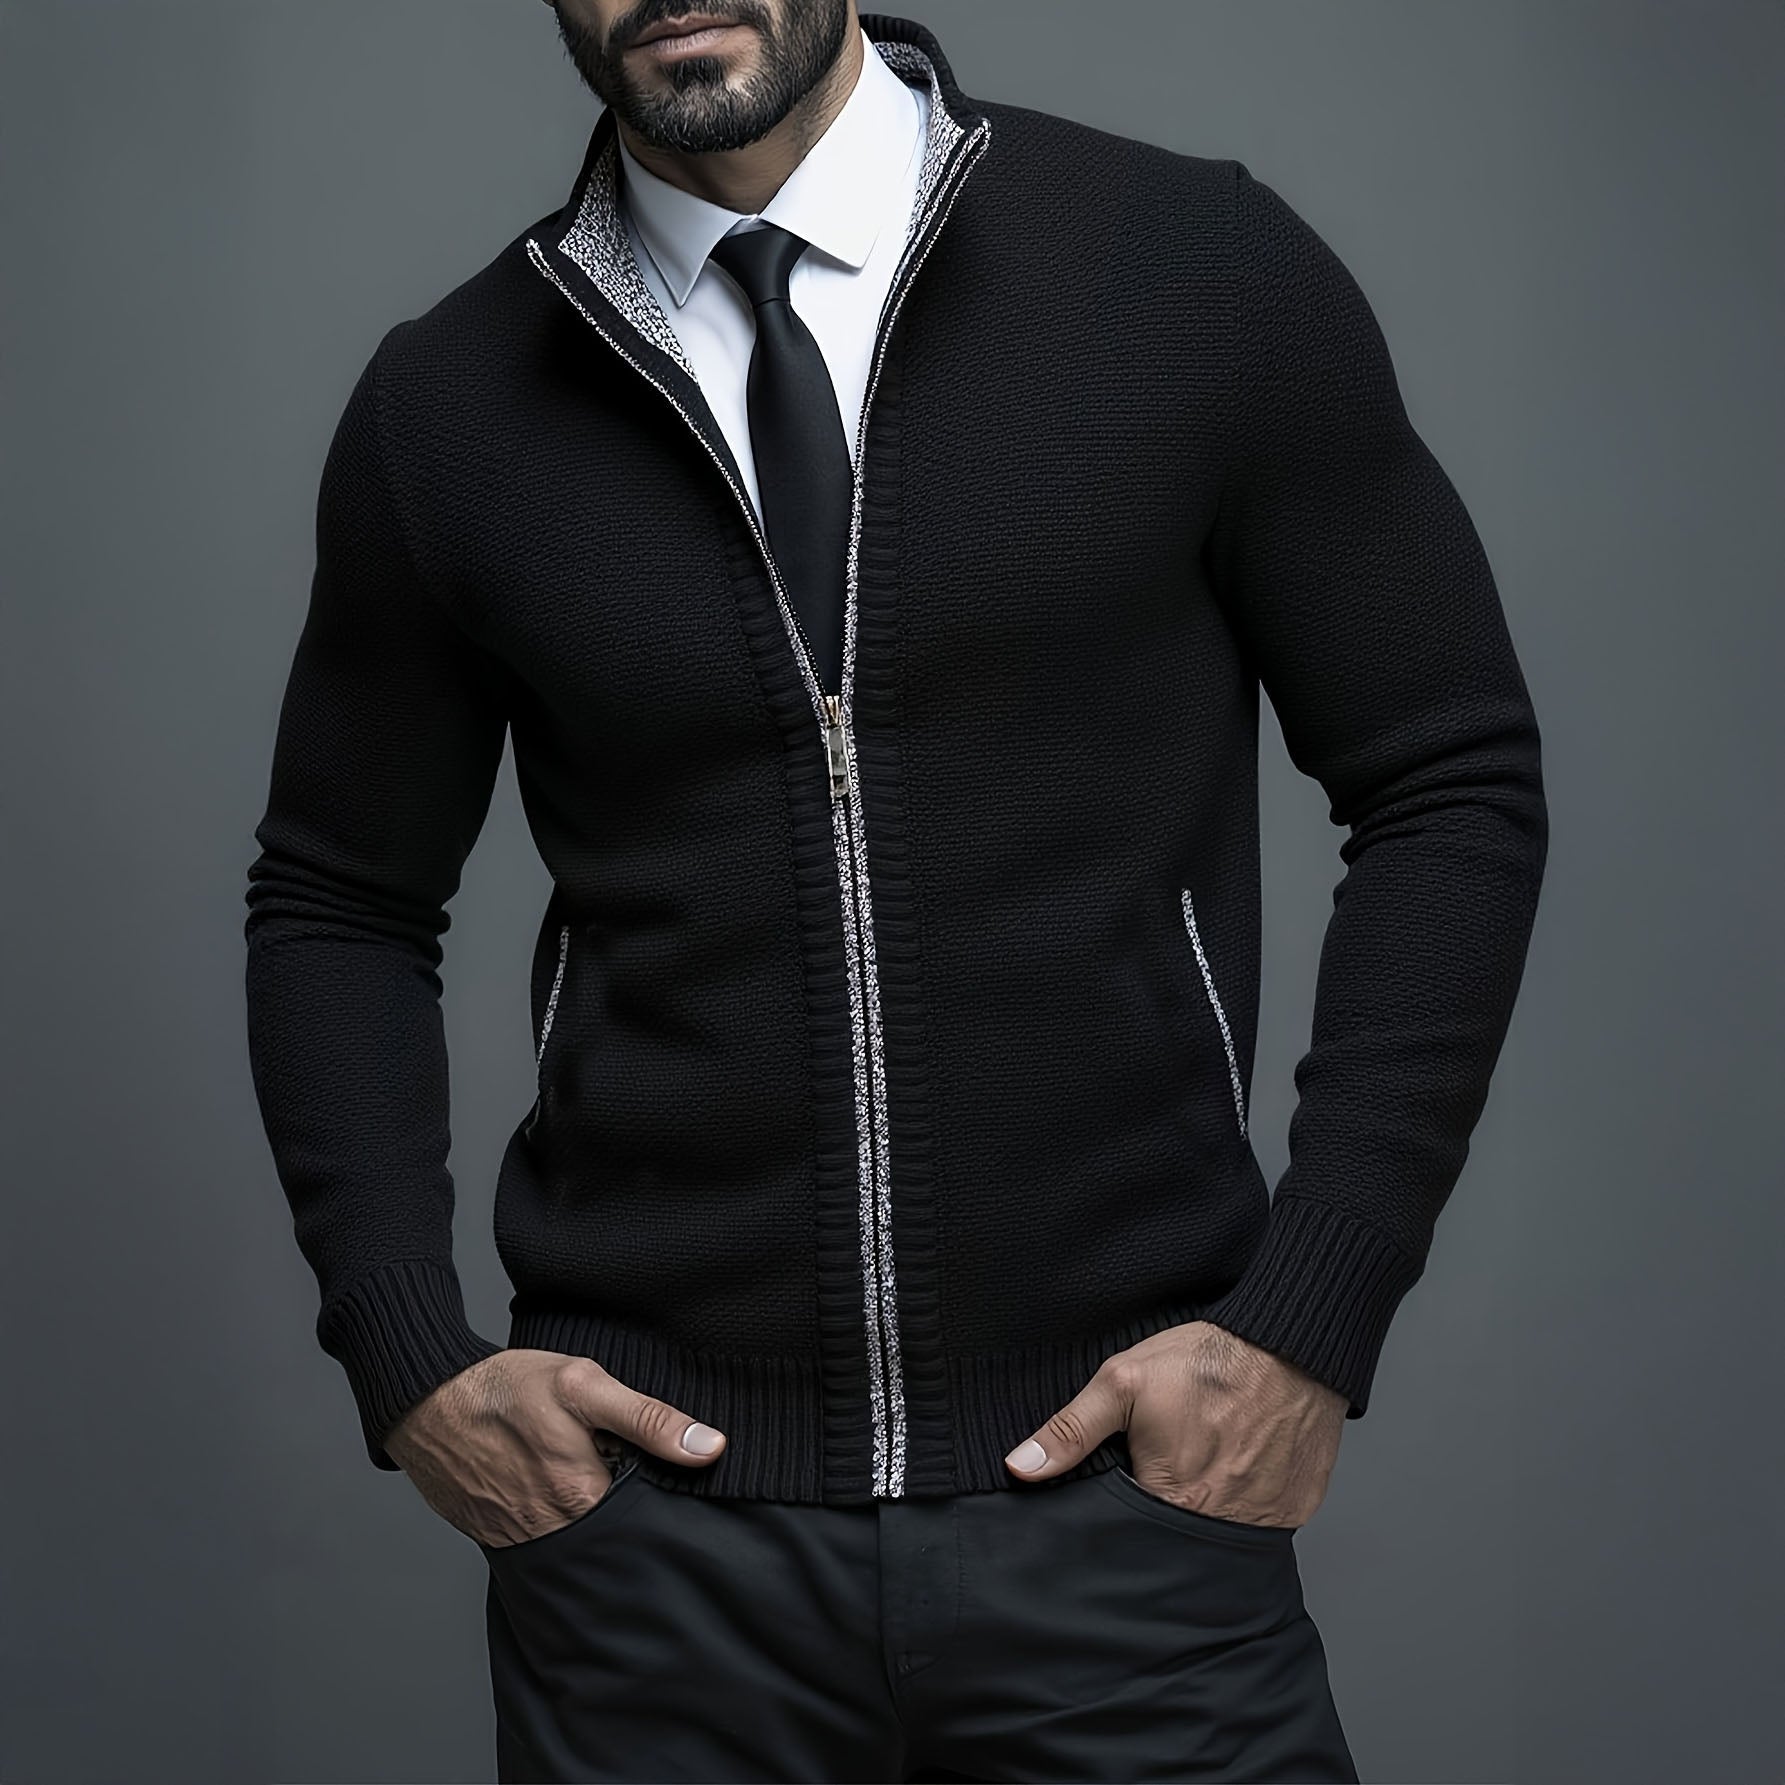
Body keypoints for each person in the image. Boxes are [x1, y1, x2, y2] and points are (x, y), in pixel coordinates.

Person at [242, 4, 1548, 1779]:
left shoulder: (1189, 269)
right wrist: (407, 1352)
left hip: (1127, 1511)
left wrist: (1311, 1319)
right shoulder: (450, 403)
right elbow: (338, 898)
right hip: (651, 1564)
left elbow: (1444, 773)